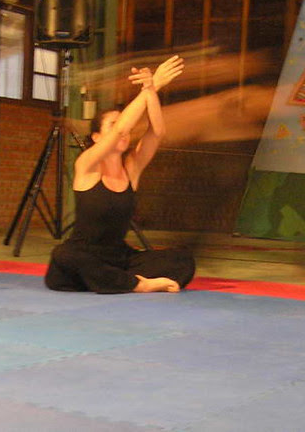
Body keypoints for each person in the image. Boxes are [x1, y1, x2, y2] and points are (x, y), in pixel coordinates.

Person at [45, 56, 196, 294]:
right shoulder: (87, 165)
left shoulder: (131, 168)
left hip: (119, 257)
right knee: (64, 255)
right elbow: (121, 129)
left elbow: (157, 133)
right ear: (96, 137)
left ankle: (113, 280)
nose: (124, 131)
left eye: (123, 125)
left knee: (183, 260)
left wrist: (150, 90)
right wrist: (152, 86)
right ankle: (137, 284)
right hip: (83, 255)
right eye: (113, 124)